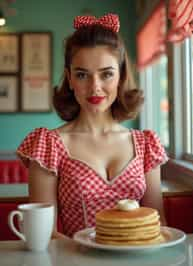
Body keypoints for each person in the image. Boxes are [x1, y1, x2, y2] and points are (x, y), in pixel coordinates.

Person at [17, 13, 168, 239]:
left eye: (106, 74)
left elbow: (158, 223)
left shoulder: (146, 144)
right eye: (82, 75)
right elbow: (44, 233)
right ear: (69, 79)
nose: (95, 87)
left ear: (121, 76)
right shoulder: (48, 144)